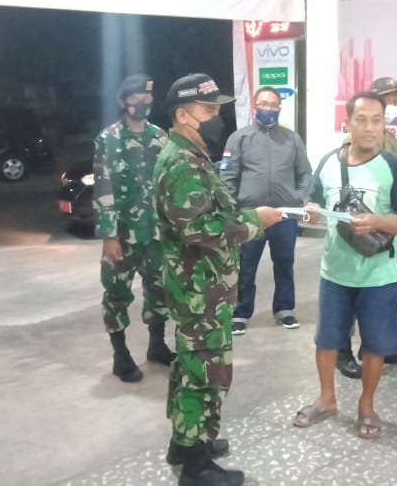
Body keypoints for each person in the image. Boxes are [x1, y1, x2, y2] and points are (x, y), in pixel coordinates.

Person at [153, 73, 283, 486]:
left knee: (190, 367)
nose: (217, 117)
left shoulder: (191, 154)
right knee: (205, 375)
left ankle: (185, 443)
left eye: (217, 109)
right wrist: (255, 221)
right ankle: (196, 467)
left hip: (202, 287)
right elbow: (199, 227)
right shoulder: (181, 162)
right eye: (208, 110)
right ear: (182, 115)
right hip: (199, 291)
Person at [292, 92, 397, 439]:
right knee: (327, 339)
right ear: (348, 123)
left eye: (377, 120)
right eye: (361, 119)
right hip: (335, 271)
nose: (369, 127)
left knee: (375, 344)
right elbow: (311, 201)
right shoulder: (329, 162)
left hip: (379, 275)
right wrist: (310, 210)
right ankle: (326, 398)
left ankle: (366, 405)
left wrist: (378, 221)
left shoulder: (392, 167)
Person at [93, 74, 175, 383]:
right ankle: (120, 355)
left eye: (147, 99)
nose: (143, 103)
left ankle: (157, 345)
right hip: (123, 235)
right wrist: (109, 235)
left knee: (160, 290)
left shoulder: (160, 137)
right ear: (123, 102)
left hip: (156, 233)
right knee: (116, 293)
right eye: (136, 99)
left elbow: (167, 185)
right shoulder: (108, 139)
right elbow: (103, 187)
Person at [221, 86, 314, 335]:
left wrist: (300, 198)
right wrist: (233, 210)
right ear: (254, 106)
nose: (268, 109)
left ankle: (284, 308)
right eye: (263, 104)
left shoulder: (292, 139)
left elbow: (305, 173)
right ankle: (241, 312)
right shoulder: (239, 138)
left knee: (284, 263)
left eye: (273, 105)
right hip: (250, 215)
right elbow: (228, 176)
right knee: (245, 266)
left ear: (280, 107)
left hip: (284, 215)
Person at [334, 77, 397, 379]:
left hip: (383, 228)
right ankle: (342, 350)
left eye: (396, 101)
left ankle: (374, 348)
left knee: (376, 294)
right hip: (357, 228)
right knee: (348, 296)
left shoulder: (391, 140)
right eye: (389, 99)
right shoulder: (350, 141)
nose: (394, 105)